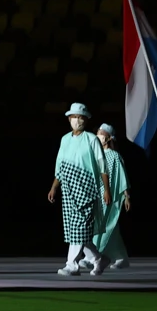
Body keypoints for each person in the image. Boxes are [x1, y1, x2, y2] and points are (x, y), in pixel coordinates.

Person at [48, 103, 110, 276]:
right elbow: (60, 165)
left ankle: (72, 264)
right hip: (68, 189)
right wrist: (54, 187)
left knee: (79, 226)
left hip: (87, 188)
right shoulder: (65, 139)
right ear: (69, 119)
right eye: (74, 117)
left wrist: (106, 189)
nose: (77, 120)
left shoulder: (91, 139)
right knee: (76, 230)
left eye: (81, 117)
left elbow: (101, 165)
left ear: (86, 119)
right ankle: (98, 258)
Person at [83, 124, 130, 270]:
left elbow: (122, 177)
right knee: (110, 227)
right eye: (97, 133)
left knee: (104, 225)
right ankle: (121, 257)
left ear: (108, 137)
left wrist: (126, 196)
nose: (98, 136)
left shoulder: (114, 156)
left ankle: (94, 257)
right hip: (96, 195)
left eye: (101, 134)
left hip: (109, 196)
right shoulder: (95, 155)